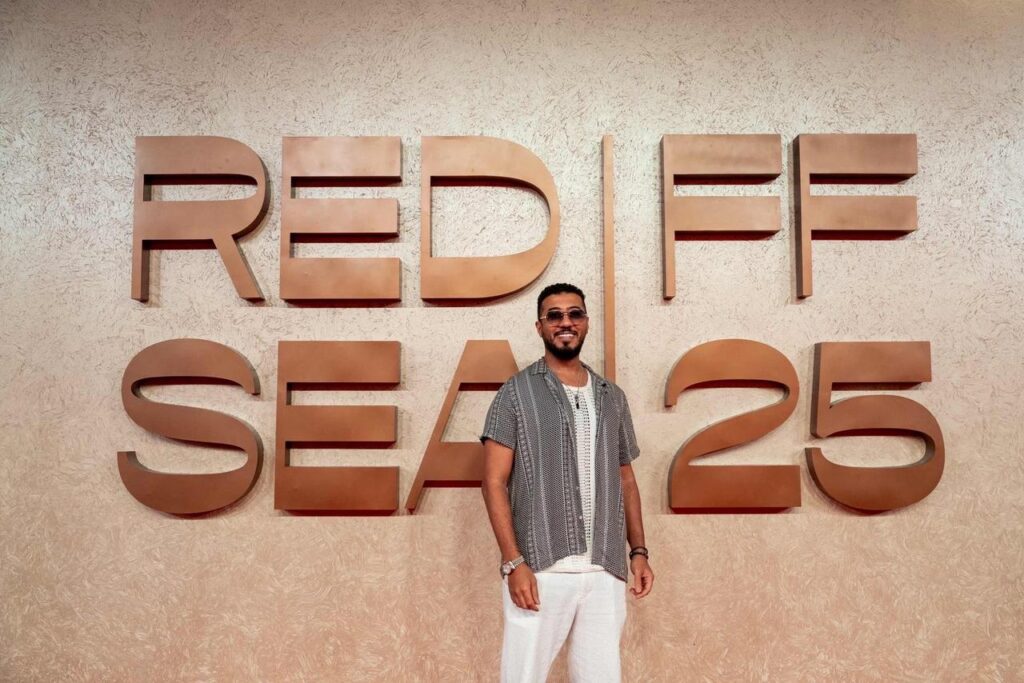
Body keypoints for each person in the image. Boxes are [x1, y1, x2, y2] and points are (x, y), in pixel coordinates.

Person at [480, 282, 654, 683]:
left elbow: (626, 479)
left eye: (575, 314)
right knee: (522, 677)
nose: (565, 322)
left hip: (604, 568)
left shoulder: (612, 397)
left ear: (586, 322)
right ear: (539, 326)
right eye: (554, 315)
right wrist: (513, 563)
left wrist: (639, 551)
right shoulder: (515, 394)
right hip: (541, 566)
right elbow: (493, 482)